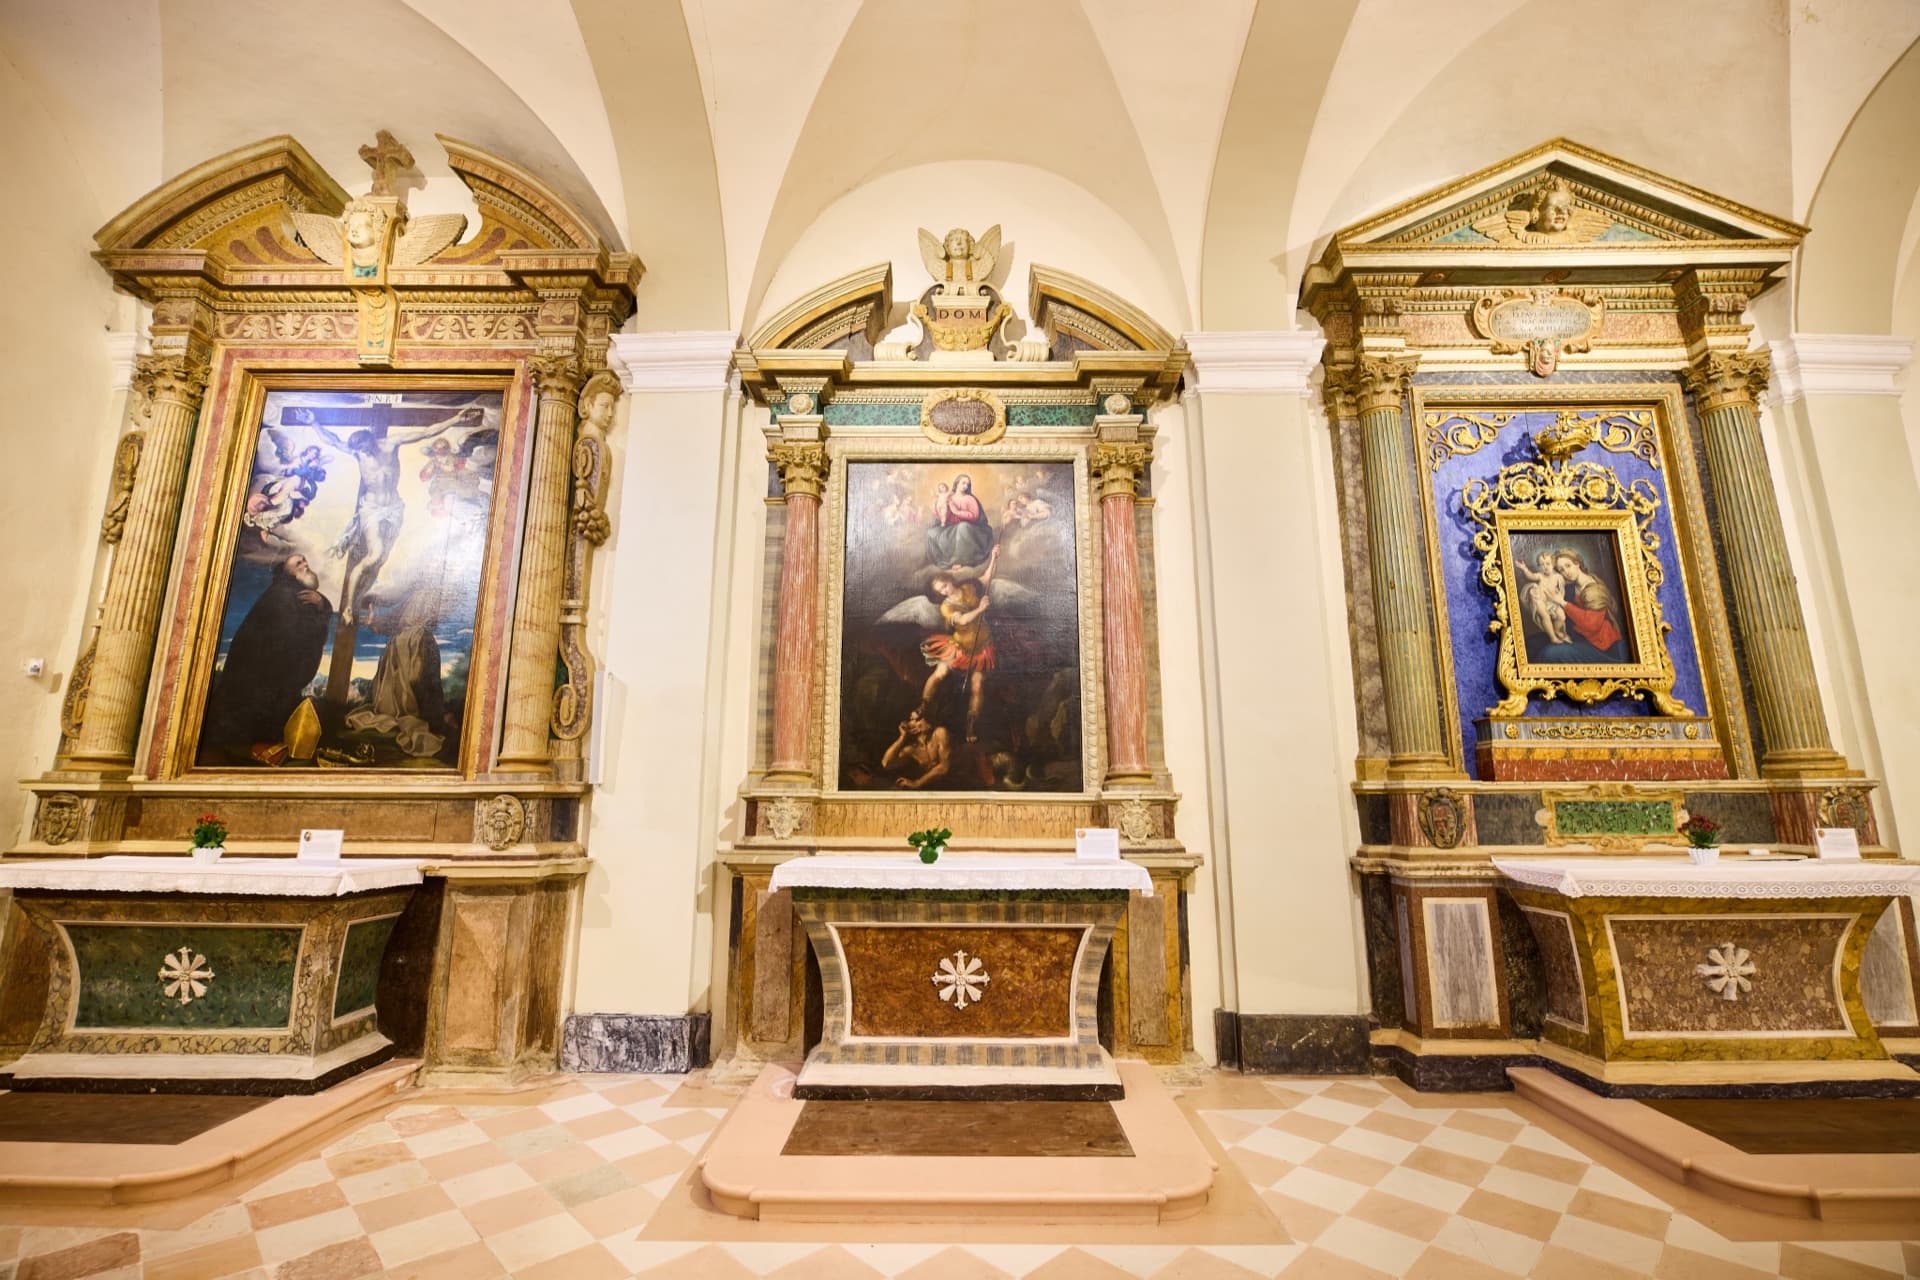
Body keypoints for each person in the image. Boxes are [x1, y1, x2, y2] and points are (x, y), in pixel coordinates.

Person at [314, 405, 485, 624]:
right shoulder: (358, 452)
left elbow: (426, 432)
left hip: (394, 508)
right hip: (372, 508)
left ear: (370, 441)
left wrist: (455, 420)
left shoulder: (390, 444)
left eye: (366, 448)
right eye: (361, 451)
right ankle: (348, 607)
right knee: (374, 555)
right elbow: (332, 440)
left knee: (382, 558)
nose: (364, 453)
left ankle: (361, 597)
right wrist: (313, 423)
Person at [199, 554, 333, 755]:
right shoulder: (282, 594)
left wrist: (322, 604)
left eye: (305, 560)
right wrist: (321, 612)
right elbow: (295, 635)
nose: (305, 564)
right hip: (262, 673)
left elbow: (307, 629)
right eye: (298, 563)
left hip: (275, 672)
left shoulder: (298, 592)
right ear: (288, 572)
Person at [918, 546, 999, 741]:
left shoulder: (969, 587)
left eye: (944, 585)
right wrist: (980, 609)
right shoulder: (946, 607)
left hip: (983, 646)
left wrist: (994, 557)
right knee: (940, 673)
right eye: (940, 590)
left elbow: (987, 577)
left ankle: (971, 725)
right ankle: (924, 706)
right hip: (959, 647)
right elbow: (962, 620)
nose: (944, 591)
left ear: (949, 580)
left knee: (977, 686)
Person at [1554, 548, 1627, 658]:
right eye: (1561, 570)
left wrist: (1562, 603)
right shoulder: (1570, 588)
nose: (1566, 572)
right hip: (1582, 639)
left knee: (1552, 653)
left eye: (1568, 566)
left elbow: (1591, 624)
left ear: (1577, 564)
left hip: (1603, 644)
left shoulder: (1593, 588)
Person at [925, 473, 993, 568]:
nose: (965, 486)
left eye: (967, 484)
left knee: (962, 527)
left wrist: (957, 512)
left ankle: (959, 560)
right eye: (963, 483)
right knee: (931, 532)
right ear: (957, 483)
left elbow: (974, 516)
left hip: (970, 528)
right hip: (951, 527)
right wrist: (939, 509)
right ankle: (942, 561)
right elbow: (943, 515)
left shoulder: (970, 499)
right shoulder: (949, 497)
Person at [882, 708, 953, 789]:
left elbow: (944, 767)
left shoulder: (940, 733)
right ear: (913, 728)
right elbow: (886, 763)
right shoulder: (912, 749)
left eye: (923, 717)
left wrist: (917, 783)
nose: (926, 719)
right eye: (917, 719)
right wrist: (902, 737)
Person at [1515, 549, 1572, 645]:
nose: (1545, 566)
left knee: (1562, 616)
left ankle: (1556, 630)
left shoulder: (1558, 577)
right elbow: (1531, 576)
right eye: (1542, 564)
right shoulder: (1540, 576)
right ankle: (1553, 637)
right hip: (1539, 600)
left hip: (1552, 602)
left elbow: (1562, 589)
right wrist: (1524, 569)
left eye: (1548, 563)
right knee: (1545, 617)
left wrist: (1558, 594)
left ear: (1553, 564)